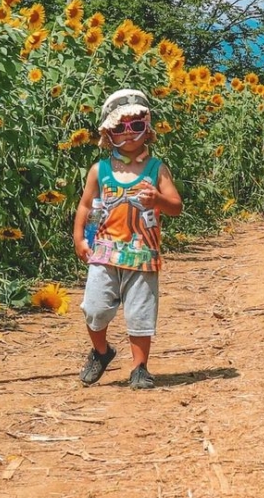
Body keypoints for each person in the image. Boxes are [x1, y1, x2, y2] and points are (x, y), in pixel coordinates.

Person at [72, 88, 182, 389]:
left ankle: (140, 368)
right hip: (104, 252)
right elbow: (87, 205)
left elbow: (176, 206)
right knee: (94, 308)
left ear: (147, 130)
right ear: (108, 134)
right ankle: (102, 351)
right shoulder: (100, 170)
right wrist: (80, 238)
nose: (129, 133)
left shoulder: (156, 170)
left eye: (136, 126)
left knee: (140, 313)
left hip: (142, 253)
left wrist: (157, 200)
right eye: (120, 127)